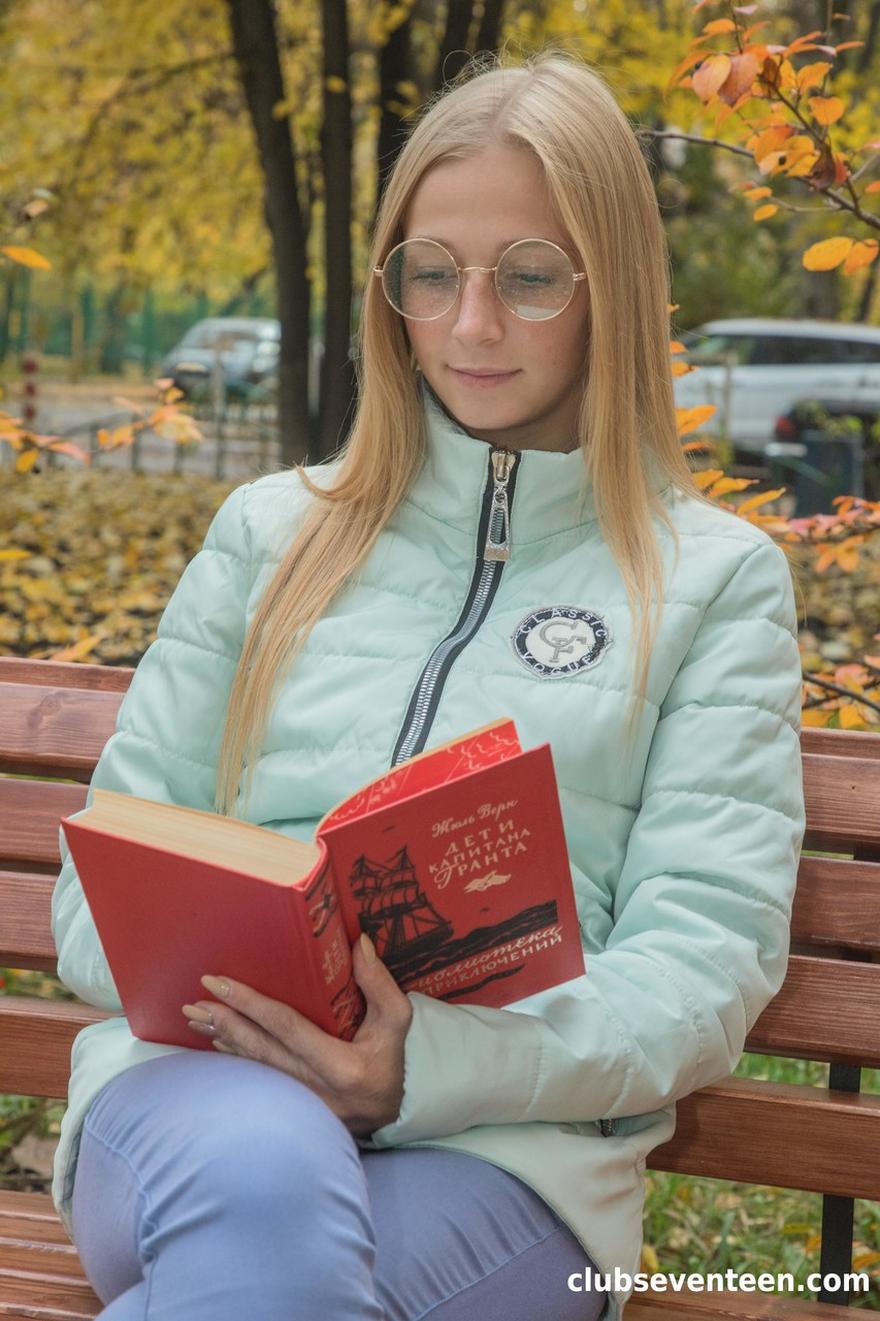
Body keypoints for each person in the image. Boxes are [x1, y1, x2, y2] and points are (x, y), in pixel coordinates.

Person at [51, 47, 806, 1321]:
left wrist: (423, 1067)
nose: (471, 324)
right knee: (268, 1196)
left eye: (529, 276)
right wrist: (271, 1004)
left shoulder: (714, 581)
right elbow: (94, 894)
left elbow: (700, 964)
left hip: (511, 1153)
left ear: (613, 286)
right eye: (433, 273)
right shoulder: (268, 533)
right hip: (201, 1097)